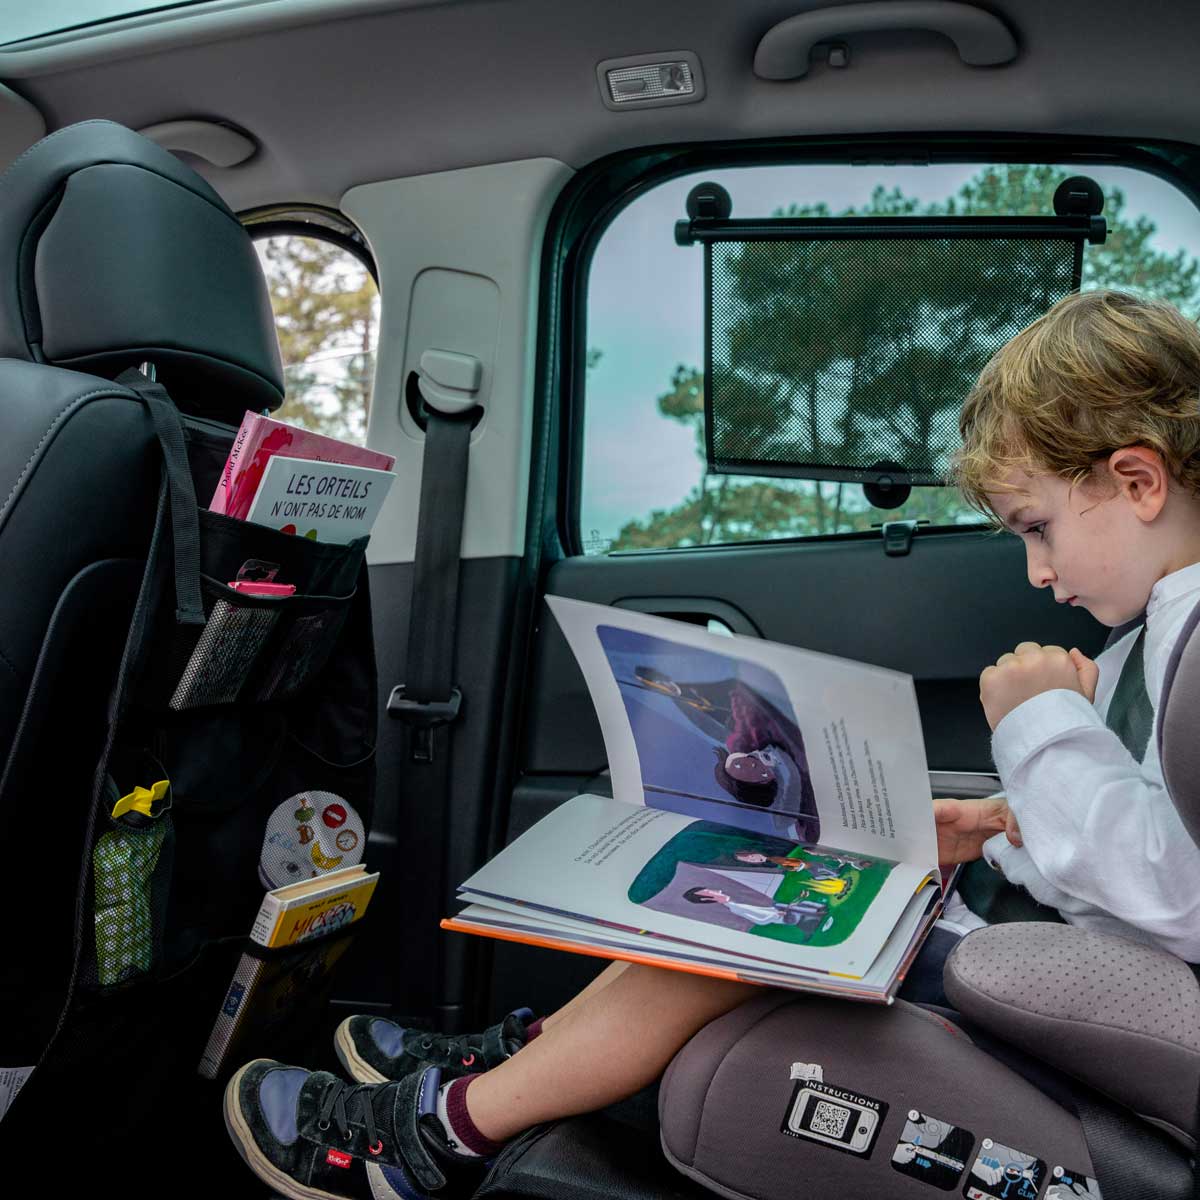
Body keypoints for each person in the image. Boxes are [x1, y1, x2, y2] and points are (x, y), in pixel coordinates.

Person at [224, 290, 1200, 1200]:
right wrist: (999, 826)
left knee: (766, 908)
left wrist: (1039, 722)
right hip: (1085, 972)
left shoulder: (1187, 638)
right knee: (762, 871)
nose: (1036, 571)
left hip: (1108, 1016)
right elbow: (1139, 836)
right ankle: (523, 1056)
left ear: (1138, 480)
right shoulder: (1151, 638)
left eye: (1039, 528)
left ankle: (437, 1135)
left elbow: (1169, 896)